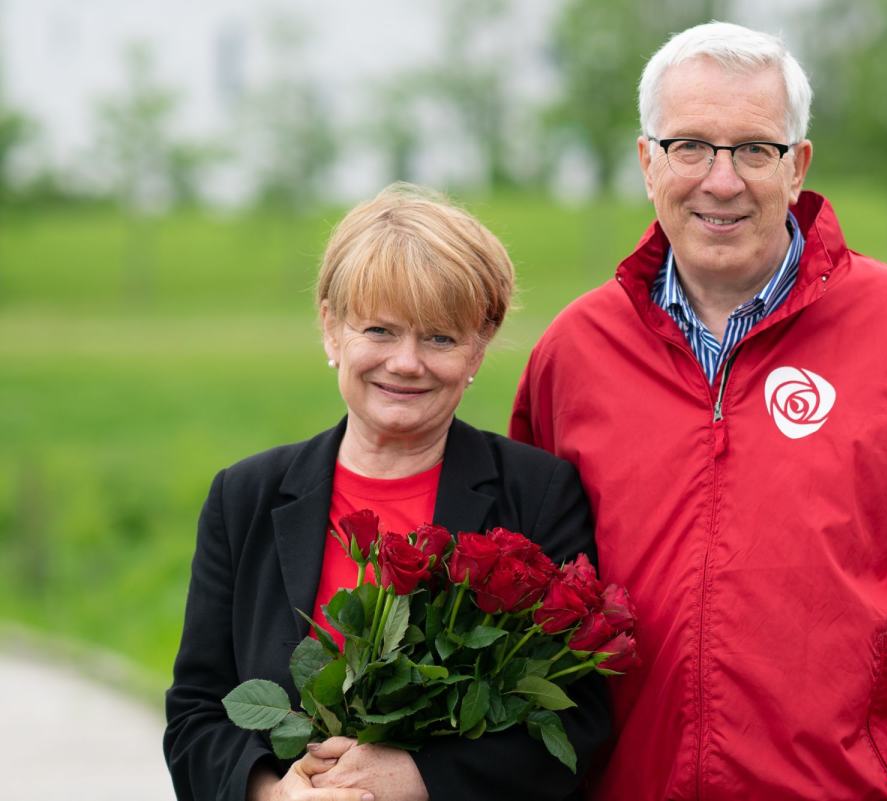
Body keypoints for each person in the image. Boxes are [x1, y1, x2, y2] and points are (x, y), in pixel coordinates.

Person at [510, 21, 887, 801]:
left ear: (797, 166)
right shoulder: (574, 353)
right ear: (646, 161)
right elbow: (521, 604)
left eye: (754, 150)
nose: (721, 180)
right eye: (690, 146)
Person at [165, 184, 610, 801]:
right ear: (330, 328)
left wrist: (419, 779)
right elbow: (195, 711)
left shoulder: (537, 494)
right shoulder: (244, 497)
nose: (405, 362)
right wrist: (272, 792)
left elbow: (578, 718)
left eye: (439, 338)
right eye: (379, 329)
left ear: (479, 345)